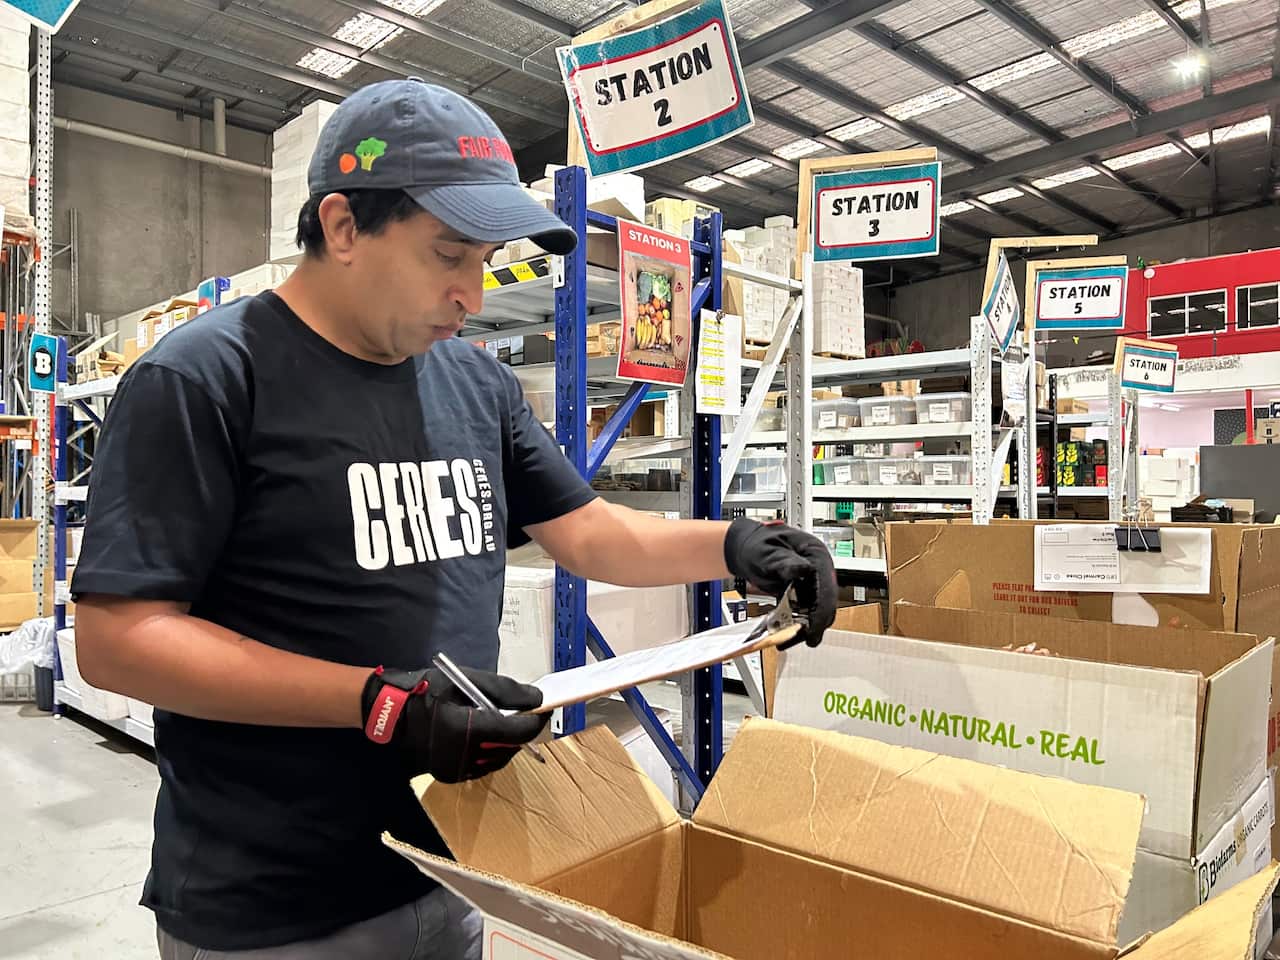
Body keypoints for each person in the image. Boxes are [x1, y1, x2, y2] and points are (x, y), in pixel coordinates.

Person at [71, 79, 836, 960]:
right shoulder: (205, 379)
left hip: (456, 863)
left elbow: (590, 532)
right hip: (273, 904)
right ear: (344, 227)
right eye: (448, 255)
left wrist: (741, 545)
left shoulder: (475, 383)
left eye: (485, 260)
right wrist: (379, 703)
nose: (472, 293)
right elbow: (118, 639)